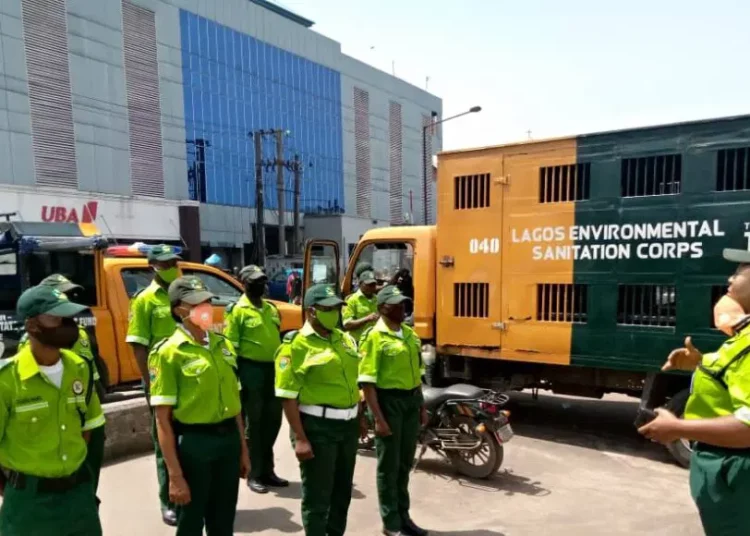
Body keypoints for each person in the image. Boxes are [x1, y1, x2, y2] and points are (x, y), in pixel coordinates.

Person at [639, 248, 750, 536]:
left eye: (740, 270)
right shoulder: (743, 337)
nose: (731, 276)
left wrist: (678, 427)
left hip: (736, 476)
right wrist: (701, 364)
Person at [0, 286, 105, 535]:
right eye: (57, 319)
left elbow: (87, 428)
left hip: (78, 497)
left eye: (69, 318)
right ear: (32, 325)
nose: (68, 325)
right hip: (28, 503)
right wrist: (13, 488)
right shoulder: (7, 379)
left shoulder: (79, 367)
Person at [149, 276, 250, 536]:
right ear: (178, 309)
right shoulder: (168, 352)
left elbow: (235, 405)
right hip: (195, 445)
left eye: (207, 301)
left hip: (227, 439)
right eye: (195, 303)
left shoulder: (223, 344)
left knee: (224, 518)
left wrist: (243, 449)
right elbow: (162, 420)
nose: (205, 308)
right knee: (191, 522)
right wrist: (174, 475)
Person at [275, 284, 364, 536]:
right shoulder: (295, 345)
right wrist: (300, 438)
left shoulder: (343, 338)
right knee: (318, 497)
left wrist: (359, 416)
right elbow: (287, 397)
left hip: (347, 425)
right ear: (312, 311)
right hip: (317, 426)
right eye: (329, 309)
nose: (335, 313)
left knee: (341, 492)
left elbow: (353, 380)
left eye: (337, 308)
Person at [17, 274, 106, 495]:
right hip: (47, 443)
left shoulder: (81, 336)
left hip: (85, 417)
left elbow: (90, 373)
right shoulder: (23, 353)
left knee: (86, 488)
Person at [359, 285, 428, 536]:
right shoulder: (373, 338)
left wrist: (421, 407)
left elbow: (418, 374)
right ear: (382, 309)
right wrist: (377, 418)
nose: (402, 308)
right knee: (388, 465)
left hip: (410, 401)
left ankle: (404, 515)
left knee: (404, 463)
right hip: (387, 403)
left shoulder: (409, 334)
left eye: (403, 304)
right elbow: (367, 382)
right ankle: (391, 522)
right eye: (396, 305)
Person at [126, 244, 181, 526]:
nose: (173, 266)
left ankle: (186, 494)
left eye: (174, 261)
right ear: (153, 267)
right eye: (166, 263)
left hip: (189, 379)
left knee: (186, 440)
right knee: (165, 441)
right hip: (162, 381)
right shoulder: (145, 300)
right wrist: (151, 384)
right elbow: (138, 346)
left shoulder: (184, 294)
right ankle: (167, 500)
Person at [224, 265, 288, 494]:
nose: (260, 285)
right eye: (254, 282)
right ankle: (253, 472)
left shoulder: (271, 309)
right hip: (250, 370)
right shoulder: (237, 311)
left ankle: (268, 470)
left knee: (273, 421)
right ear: (244, 283)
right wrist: (236, 376)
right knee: (254, 423)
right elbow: (230, 346)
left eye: (262, 280)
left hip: (273, 370)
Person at [342, 269, 379, 343]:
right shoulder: (352, 300)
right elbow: (347, 325)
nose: (371, 287)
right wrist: (367, 319)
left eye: (373, 285)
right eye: (368, 285)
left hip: (375, 342)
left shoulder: (378, 299)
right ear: (360, 284)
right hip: (358, 342)